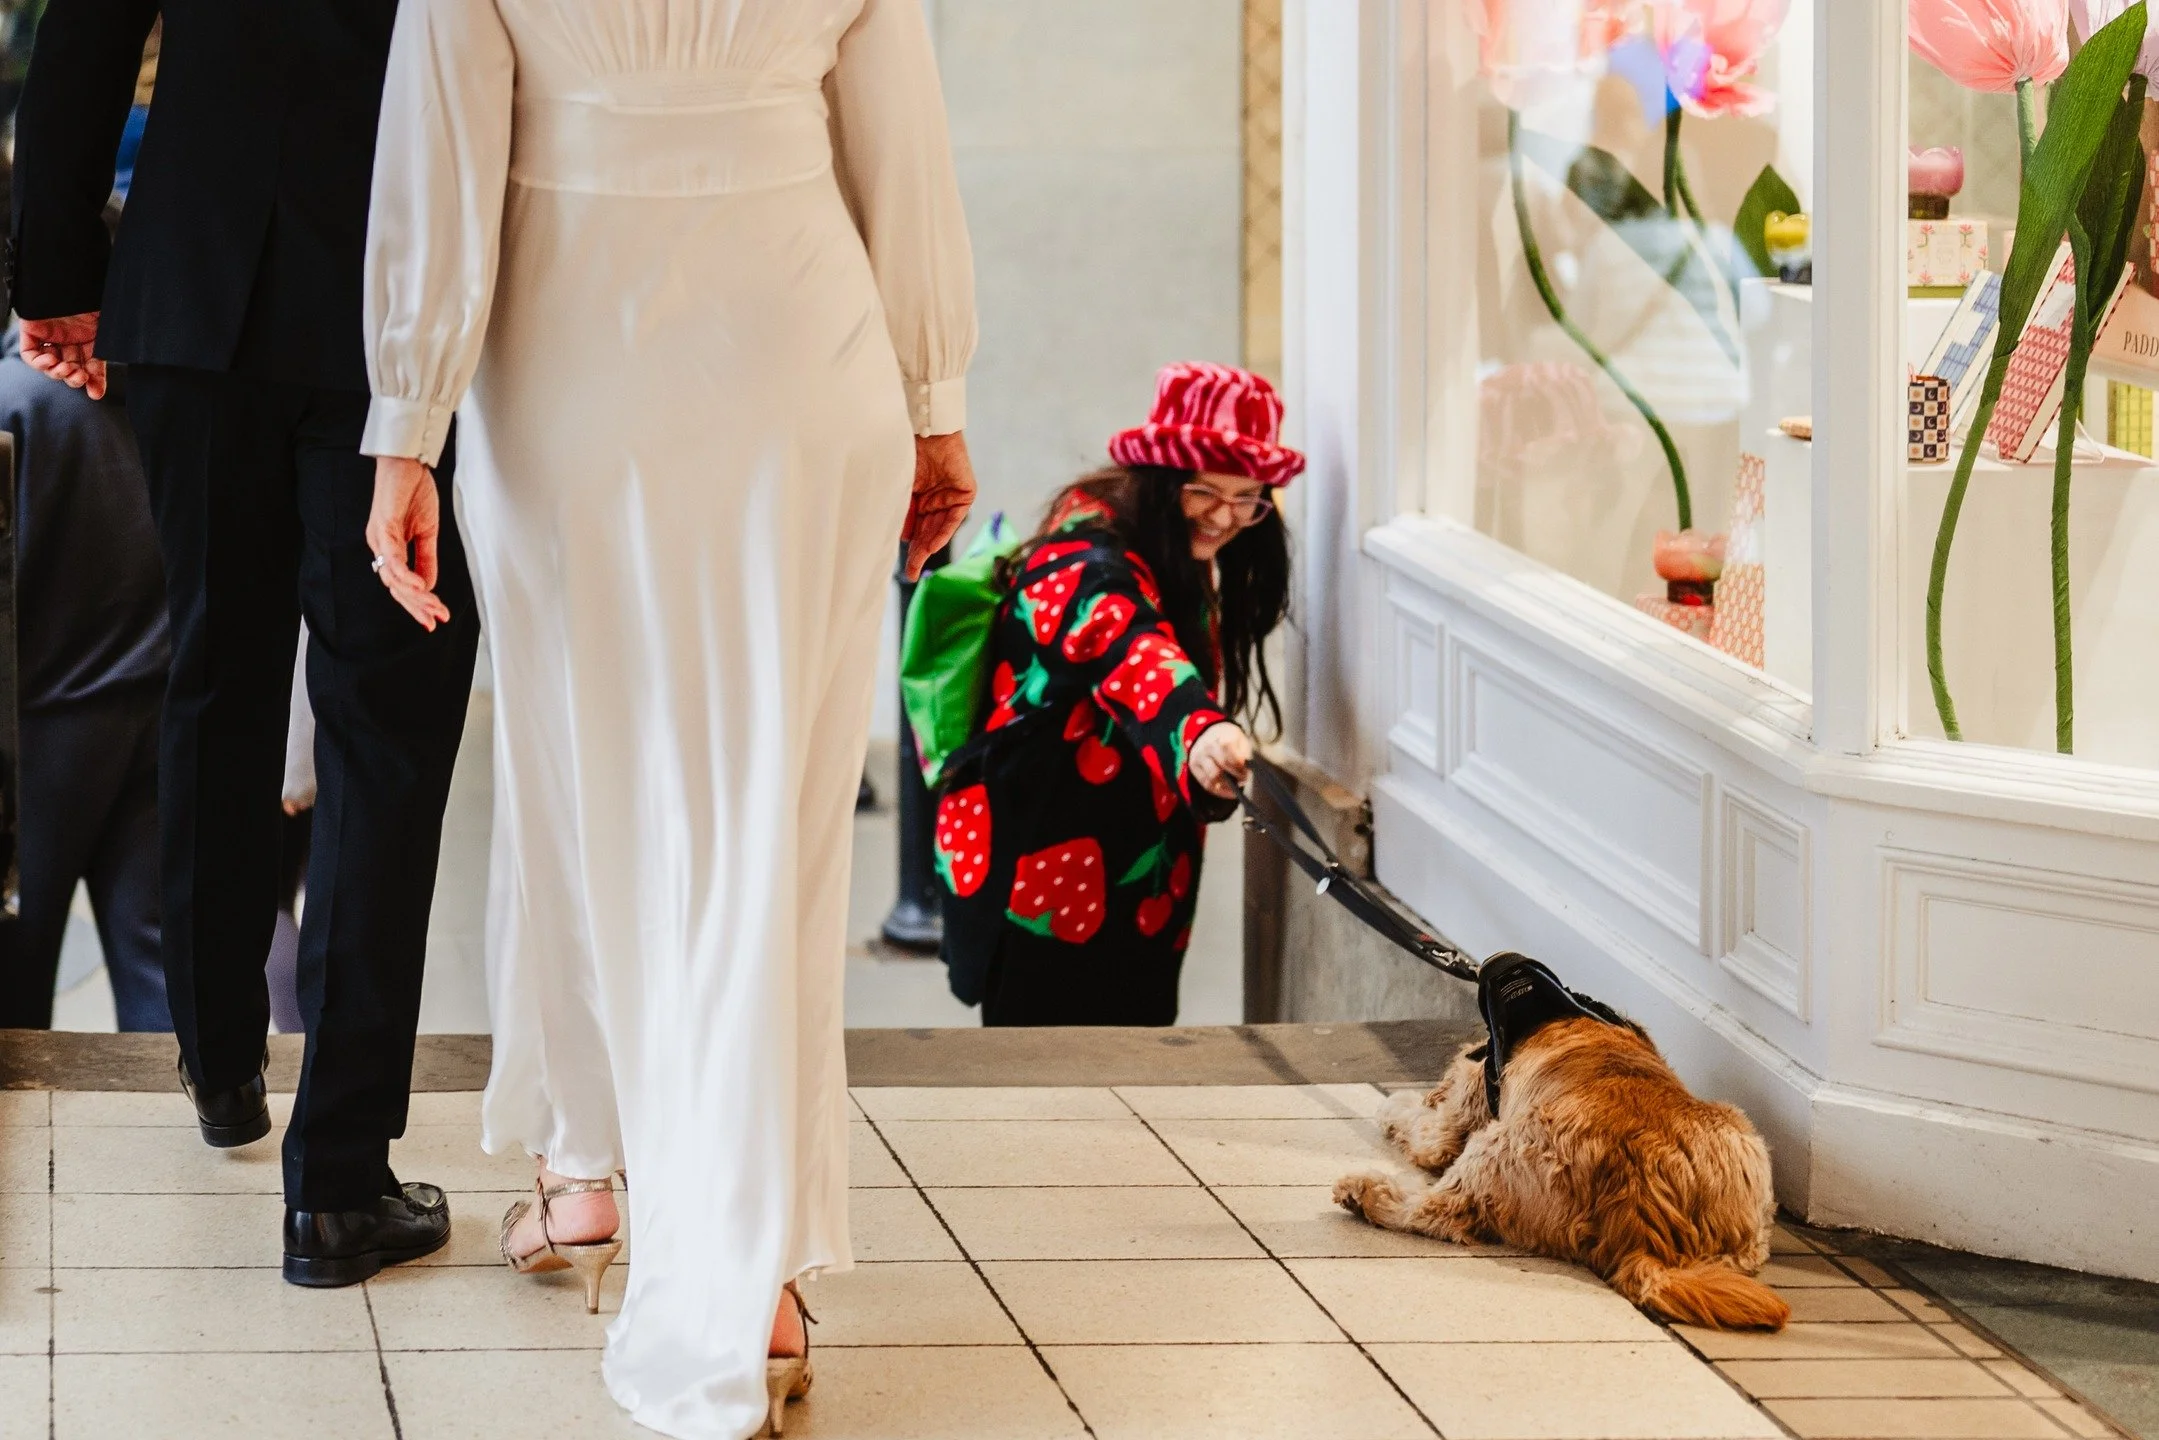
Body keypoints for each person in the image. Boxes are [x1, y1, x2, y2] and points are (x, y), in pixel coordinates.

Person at [357, 1, 976, 1435]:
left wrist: (408, 421)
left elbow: (440, 147)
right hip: (797, 336)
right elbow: (903, 144)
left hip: (570, 341)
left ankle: (587, 1178)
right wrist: (933, 392)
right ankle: (747, 1274)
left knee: (579, 772)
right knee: (772, 818)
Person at [9, 1, 480, 1283]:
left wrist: (54, 275)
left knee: (214, 669)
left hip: (190, 285)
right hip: (386, 310)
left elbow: (85, 41)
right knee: (384, 716)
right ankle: (335, 1184)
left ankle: (220, 1063)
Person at [937, 361, 1298, 1026]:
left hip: (1138, 868)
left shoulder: (1170, 549)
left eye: (1247, 496)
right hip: (1043, 861)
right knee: (1040, 1072)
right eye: (1203, 492)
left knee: (1130, 1054)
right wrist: (1203, 734)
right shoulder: (1081, 563)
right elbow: (1133, 652)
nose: (1224, 516)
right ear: (1159, 481)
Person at [0, 268, 170, 1033]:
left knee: (13, 972)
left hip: (34, 739)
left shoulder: (15, 404)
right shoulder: (171, 399)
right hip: (154, 717)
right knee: (158, 965)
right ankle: (187, 1137)